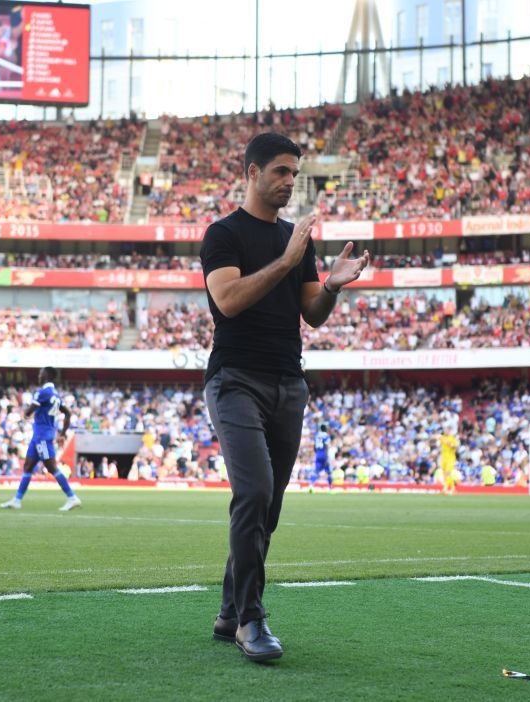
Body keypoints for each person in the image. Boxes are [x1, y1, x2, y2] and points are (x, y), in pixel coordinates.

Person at [201, 132, 369, 663]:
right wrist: (286, 257)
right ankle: (252, 618)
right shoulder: (223, 234)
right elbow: (227, 301)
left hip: (288, 382)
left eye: (294, 173)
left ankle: (230, 611)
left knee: (267, 508)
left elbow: (311, 315)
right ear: (251, 173)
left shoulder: (300, 242)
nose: (289, 182)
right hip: (234, 380)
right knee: (253, 493)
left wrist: (333, 287)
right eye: (279, 172)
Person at [0, 367, 81, 511]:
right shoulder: (55, 394)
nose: (38, 375)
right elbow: (67, 413)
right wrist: (62, 433)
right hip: (39, 436)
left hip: (42, 436)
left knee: (51, 467)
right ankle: (17, 500)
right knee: (28, 466)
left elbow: (29, 410)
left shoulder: (43, 393)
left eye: (41, 373)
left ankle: (72, 497)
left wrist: (26, 413)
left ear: (46, 375)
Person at [314, 422, 332, 487]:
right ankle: (330, 487)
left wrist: (316, 453)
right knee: (329, 471)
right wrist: (326, 457)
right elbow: (326, 445)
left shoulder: (317, 435)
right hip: (323, 452)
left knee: (316, 471)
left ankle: (311, 486)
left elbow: (314, 446)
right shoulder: (326, 435)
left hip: (318, 453)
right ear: (325, 429)